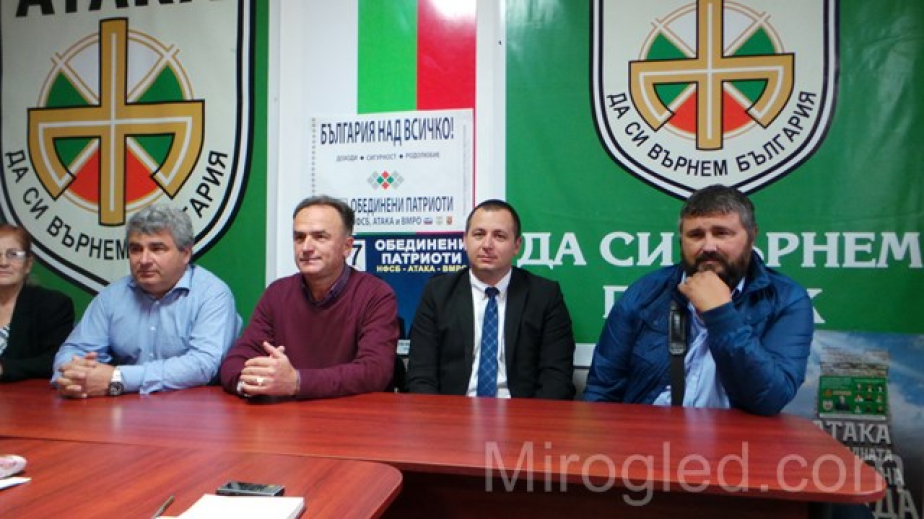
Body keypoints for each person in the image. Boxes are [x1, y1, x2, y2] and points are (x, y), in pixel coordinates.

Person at [583, 185, 813, 415]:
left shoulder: (786, 299)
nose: (708, 246)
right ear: (681, 240)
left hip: (738, 435)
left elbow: (770, 399)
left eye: (722, 233)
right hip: (648, 431)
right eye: (696, 235)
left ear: (752, 237)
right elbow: (602, 390)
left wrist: (721, 314)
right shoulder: (645, 292)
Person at [219, 195, 398, 399]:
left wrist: (297, 382)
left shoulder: (376, 294)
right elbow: (235, 361)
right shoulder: (277, 293)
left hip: (351, 414)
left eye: (320, 237)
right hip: (286, 414)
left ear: (347, 247)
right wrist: (257, 383)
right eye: (299, 237)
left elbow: (375, 371)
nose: (306, 247)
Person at [53, 205, 241, 397]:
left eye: (157, 249)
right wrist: (75, 377)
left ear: (186, 254)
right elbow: (74, 350)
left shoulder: (212, 294)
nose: (144, 260)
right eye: (136, 249)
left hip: (192, 408)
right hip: (122, 408)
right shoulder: (112, 296)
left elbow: (203, 365)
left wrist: (119, 379)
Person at [407, 199, 576, 399]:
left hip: (521, 412)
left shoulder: (544, 296)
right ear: (465, 241)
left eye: (499, 236)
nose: (487, 245)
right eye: (479, 234)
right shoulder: (438, 293)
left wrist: (530, 418)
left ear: (517, 245)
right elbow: (421, 375)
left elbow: (556, 378)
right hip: (453, 410)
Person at [0, 224, 74, 382]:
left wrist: (3, 368)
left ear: (28, 264)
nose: (3, 262)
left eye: (13, 254)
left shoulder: (53, 305)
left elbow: (56, 360)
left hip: (26, 395)